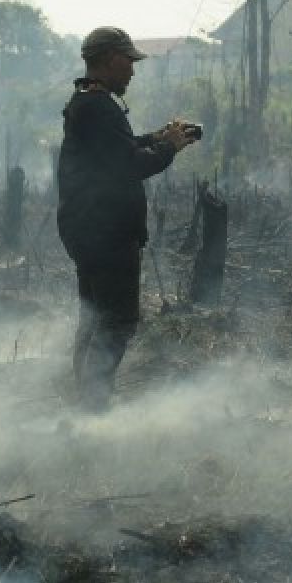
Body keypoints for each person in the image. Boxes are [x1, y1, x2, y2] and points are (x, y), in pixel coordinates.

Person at [56, 26, 197, 409]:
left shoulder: (89, 102)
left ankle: (88, 399)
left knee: (95, 316)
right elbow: (126, 166)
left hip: (92, 231)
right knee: (117, 320)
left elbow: (117, 150)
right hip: (106, 234)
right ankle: (95, 405)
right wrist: (168, 149)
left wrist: (157, 138)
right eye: (127, 62)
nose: (132, 71)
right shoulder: (98, 107)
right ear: (107, 60)